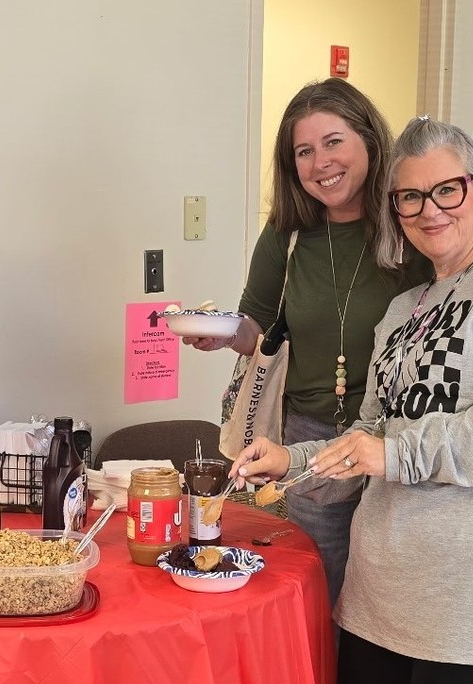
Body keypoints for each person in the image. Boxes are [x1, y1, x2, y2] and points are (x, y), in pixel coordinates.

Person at [230, 116, 473, 684]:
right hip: (378, 591)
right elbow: (372, 432)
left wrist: (395, 455)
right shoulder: (403, 309)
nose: (431, 209)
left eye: (448, 189)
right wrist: (292, 461)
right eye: (410, 197)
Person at [184, 78, 429, 605]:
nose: (322, 163)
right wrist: (223, 334)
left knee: (395, 593)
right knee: (322, 587)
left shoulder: (415, 225)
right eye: (305, 151)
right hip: (312, 438)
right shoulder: (287, 235)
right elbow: (257, 331)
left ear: (368, 139)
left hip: (400, 439)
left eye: (334, 142)